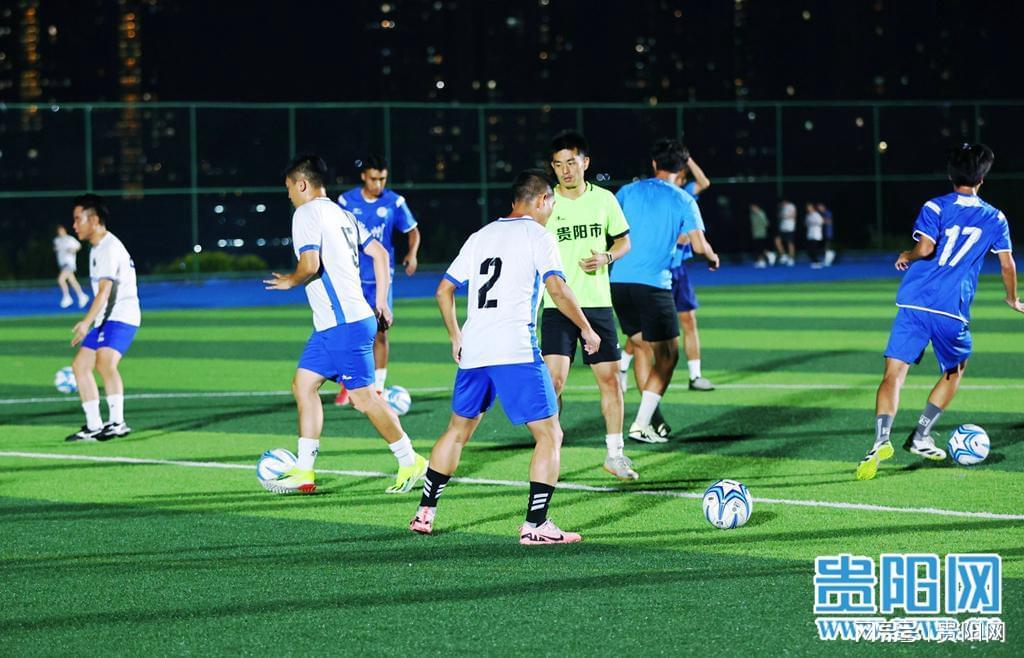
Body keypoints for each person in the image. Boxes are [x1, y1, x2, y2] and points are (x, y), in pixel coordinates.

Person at [409, 169, 600, 544]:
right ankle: (536, 525)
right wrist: (586, 328)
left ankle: (424, 513)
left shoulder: (480, 236)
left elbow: (443, 290)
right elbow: (557, 289)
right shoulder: (539, 235)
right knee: (550, 434)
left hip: (475, 348)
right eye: (551, 204)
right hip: (515, 348)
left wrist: (456, 336)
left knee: (457, 431)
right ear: (542, 200)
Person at [856, 143, 1024, 481]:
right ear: (982, 179)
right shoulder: (996, 217)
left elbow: (925, 248)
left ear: (950, 175)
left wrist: (906, 254)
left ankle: (881, 440)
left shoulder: (934, 206)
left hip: (915, 301)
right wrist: (1012, 299)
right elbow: (1007, 264)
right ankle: (921, 435)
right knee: (954, 371)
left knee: (893, 374)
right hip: (951, 309)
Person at [264, 154, 427, 494]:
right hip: (334, 324)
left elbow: (310, 264)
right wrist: (381, 301)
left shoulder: (306, 213)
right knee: (303, 385)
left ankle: (410, 461)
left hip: (344, 324)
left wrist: (290, 280)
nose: (289, 195)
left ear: (302, 184)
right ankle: (304, 471)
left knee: (364, 399)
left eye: (289, 188)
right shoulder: (344, 214)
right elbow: (381, 254)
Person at [610, 139, 720, 444]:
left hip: (618, 283)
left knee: (641, 348)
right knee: (668, 356)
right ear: (682, 169)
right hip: (653, 284)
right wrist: (712, 258)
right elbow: (700, 246)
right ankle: (641, 424)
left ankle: (651, 418)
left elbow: (609, 228)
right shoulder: (684, 199)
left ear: (654, 164)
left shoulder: (628, 191)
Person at [542, 130, 636, 481]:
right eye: (558, 165)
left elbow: (624, 240)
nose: (565, 170)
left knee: (610, 381)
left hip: (597, 304)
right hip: (557, 305)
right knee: (553, 383)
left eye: (571, 162)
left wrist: (607, 256)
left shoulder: (604, 200)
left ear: (585, 162)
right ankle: (549, 449)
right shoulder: (546, 202)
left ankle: (615, 455)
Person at [334, 155, 421, 406]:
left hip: (382, 279)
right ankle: (348, 386)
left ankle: (379, 389)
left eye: (382, 179)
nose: (378, 184)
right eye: (373, 179)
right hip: (352, 278)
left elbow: (413, 231)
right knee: (349, 332)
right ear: (364, 176)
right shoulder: (346, 201)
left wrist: (412, 253)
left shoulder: (394, 202)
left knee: (380, 332)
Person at [65, 194, 140, 442]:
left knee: (105, 362)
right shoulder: (98, 247)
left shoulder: (108, 247)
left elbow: (104, 292)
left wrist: (85, 323)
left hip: (121, 315)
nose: (74, 225)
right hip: (106, 317)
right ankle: (94, 425)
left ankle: (118, 423)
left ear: (94, 220)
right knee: (80, 366)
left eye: (78, 219)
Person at [54, 224, 90, 309]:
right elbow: (56, 249)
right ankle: (82, 296)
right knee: (72, 281)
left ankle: (67, 297)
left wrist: (72, 250)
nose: (60, 232)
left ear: (64, 230)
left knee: (61, 279)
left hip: (69, 263)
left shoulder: (70, 239)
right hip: (62, 264)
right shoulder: (57, 240)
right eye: (59, 231)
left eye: (61, 230)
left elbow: (79, 246)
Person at [750, 203, 775, 268]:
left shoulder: (761, 213)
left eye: (753, 207)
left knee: (760, 248)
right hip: (755, 234)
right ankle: (761, 261)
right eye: (752, 208)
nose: (752, 209)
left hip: (761, 233)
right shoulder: (753, 215)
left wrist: (761, 228)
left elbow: (766, 223)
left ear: (757, 207)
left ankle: (769, 254)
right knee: (758, 249)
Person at [776, 199, 797, 265]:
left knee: (790, 243)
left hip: (789, 228)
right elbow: (780, 217)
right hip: (782, 228)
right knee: (777, 241)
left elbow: (794, 215)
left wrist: (785, 216)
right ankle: (784, 255)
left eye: (782, 202)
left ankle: (791, 259)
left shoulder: (791, 206)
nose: (781, 204)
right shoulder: (781, 208)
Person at [805, 202, 825, 268]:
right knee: (810, 249)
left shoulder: (816, 214)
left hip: (816, 235)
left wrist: (815, 223)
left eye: (809, 207)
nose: (808, 209)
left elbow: (822, 222)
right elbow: (806, 224)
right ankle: (814, 261)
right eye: (807, 208)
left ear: (812, 208)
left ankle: (817, 262)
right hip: (810, 234)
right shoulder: (808, 215)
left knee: (815, 249)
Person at [818, 202, 836, 266]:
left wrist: (822, 220)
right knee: (826, 247)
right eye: (819, 208)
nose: (819, 208)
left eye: (820, 207)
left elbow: (830, 221)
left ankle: (828, 260)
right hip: (823, 233)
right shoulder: (821, 214)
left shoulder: (828, 213)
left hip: (829, 232)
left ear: (824, 207)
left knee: (828, 246)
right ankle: (827, 259)